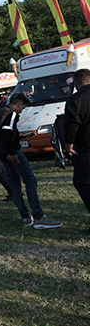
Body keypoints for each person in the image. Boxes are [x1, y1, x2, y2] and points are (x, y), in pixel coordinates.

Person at [0, 93, 62, 229]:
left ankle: (25, 216)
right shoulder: (11, 114)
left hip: (1, 152)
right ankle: (39, 216)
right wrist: (12, 152)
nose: (22, 111)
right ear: (18, 104)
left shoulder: (0, 112)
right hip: (12, 152)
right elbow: (7, 133)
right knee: (30, 180)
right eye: (22, 107)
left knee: (15, 183)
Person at [63, 68, 90, 234]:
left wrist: (68, 144)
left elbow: (72, 123)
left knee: (83, 183)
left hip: (86, 148)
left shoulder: (76, 99)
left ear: (77, 82)